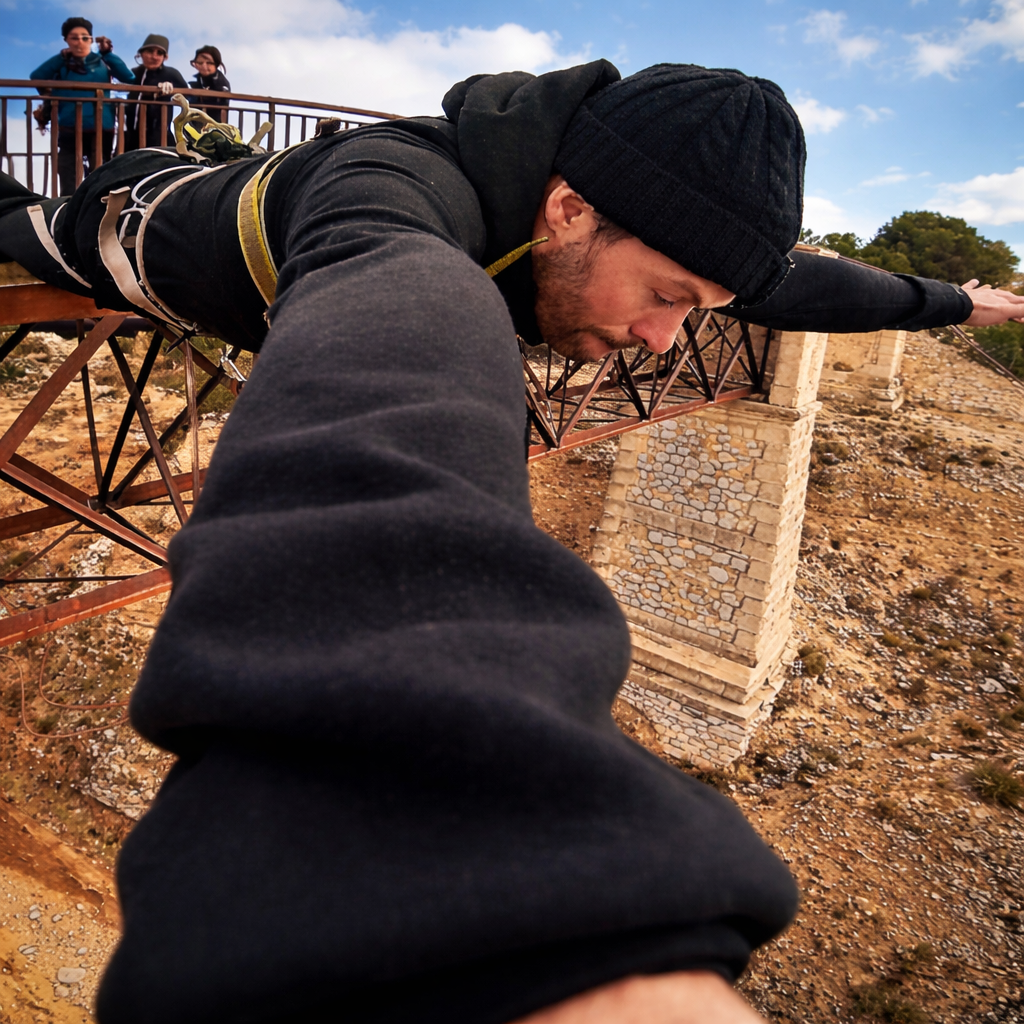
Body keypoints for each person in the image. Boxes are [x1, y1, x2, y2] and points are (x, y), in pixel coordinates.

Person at [0, 62, 1022, 1024]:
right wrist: (508, 906)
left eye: (698, 311)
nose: (669, 342)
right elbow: (403, 329)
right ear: (567, 208)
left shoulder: (622, 216)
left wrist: (950, 301)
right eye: (667, 298)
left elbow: (799, 288)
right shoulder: (394, 192)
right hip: (116, 223)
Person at [29, 17, 133, 196]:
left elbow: (128, 77)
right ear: (66, 40)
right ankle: (68, 209)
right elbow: (37, 76)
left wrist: (107, 53)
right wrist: (61, 57)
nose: (80, 42)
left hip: (101, 127)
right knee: (68, 172)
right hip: (70, 126)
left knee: (100, 174)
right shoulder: (62, 64)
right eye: (74, 38)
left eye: (85, 38)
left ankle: (98, 209)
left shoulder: (102, 63)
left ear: (91, 40)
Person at [123, 34, 188, 150]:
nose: (154, 56)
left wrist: (172, 88)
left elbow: (188, 94)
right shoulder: (134, 73)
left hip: (159, 135)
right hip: (131, 134)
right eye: (150, 51)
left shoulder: (171, 74)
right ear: (141, 54)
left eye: (159, 53)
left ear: (165, 57)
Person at [188, 45, 231, 121]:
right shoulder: (196, 82)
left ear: (216, 64)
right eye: (200, 63)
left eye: (209, 63)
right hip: (195, 127)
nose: (204, 66)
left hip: (215, 127)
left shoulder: (221, 82)